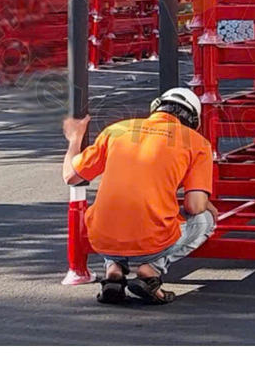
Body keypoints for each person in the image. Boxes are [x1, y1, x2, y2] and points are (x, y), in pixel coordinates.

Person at [62, 87, 217, 306]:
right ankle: (151, 271)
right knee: (205, 220)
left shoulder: (117, 130)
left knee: (115, 213)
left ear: (156, 107)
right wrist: (209, 205)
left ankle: (113, 269)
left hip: (102, 237)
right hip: (152, 243)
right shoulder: (196, 142)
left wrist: (74, 139)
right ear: (193, 121)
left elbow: (70, 175)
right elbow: (195, 206)